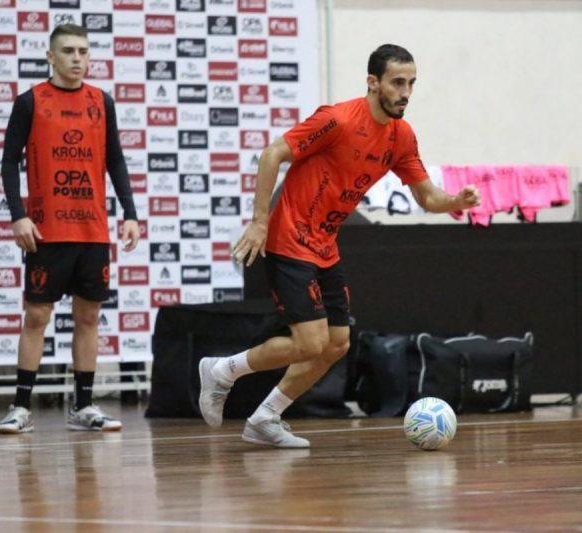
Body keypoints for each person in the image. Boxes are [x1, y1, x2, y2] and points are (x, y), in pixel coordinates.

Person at [198, 44, 480, 448]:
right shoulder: (337, 119)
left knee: (336, 345)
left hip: (325, 246)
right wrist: (260, 222)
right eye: (397, 82)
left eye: (411, 83)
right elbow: (272, 153)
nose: (405, 92)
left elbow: (427, 197)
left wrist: (456, 203)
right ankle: (222, 371)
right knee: (310, 342)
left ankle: (265, 418)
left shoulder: (401, 136)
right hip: (289, 237)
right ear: (373, 82)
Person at [0, 24, 140, 434]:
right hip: (46, 230)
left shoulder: (102, 101)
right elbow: (9, 162)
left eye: (84, 51)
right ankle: (21, 406)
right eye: (69, 51)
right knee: (37, 315)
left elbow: (115, 160)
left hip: (92, 229)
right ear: (51, 56)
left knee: (89, 317)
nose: (78, 58)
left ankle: (84, 406)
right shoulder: (30, 102)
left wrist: (129, 212)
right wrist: (17, 215)